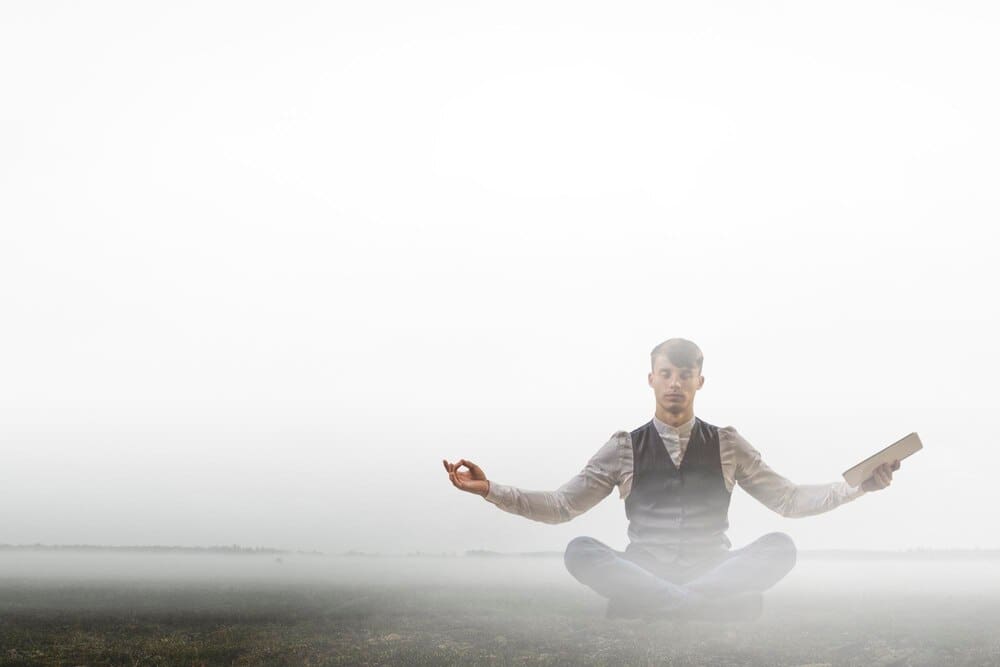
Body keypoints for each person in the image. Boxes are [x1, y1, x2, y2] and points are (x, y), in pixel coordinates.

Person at [442, 338, 900, 621]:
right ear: (651, 379)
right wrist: (490, 490)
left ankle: (652, 603)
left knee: (781, 545)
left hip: (714, 567)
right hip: (646, 567)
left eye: (685, 375)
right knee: (579, 550)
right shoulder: (624, 446)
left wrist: (859, 486)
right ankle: (711, 606)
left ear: (701, 381)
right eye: (666, 374)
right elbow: (563, 506)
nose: (675, 383)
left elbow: (789, 500)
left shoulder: (728, 443)